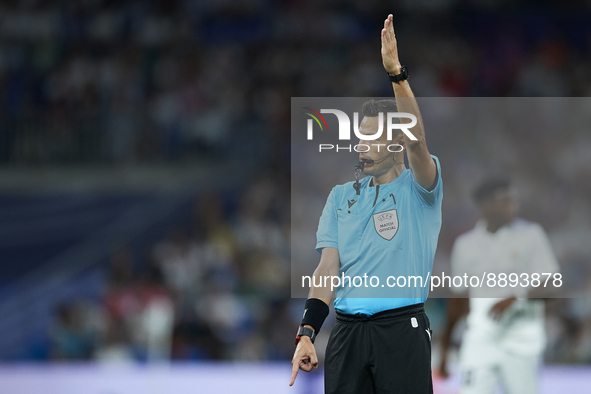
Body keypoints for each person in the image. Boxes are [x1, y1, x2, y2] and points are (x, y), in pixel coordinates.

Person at [289, 14, 443, 394]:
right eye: (359, 137)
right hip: (346, 334)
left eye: (372, 137)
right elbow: (327, 268)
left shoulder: (420, 188)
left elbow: (418, 142)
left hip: (401, 332)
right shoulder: (340, 196)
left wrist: (396, 75)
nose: (360, 145)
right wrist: (308, 331)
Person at [438, 178, 560, 394]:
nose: (512, 205)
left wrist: (516, 297)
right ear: (485, 205)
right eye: (504, 200)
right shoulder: (465, 244)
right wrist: (445, 351)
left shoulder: (531, 235)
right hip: (480, 340)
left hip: (521, 342)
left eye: (513, 200)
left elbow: (551, 286)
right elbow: (458, 299)